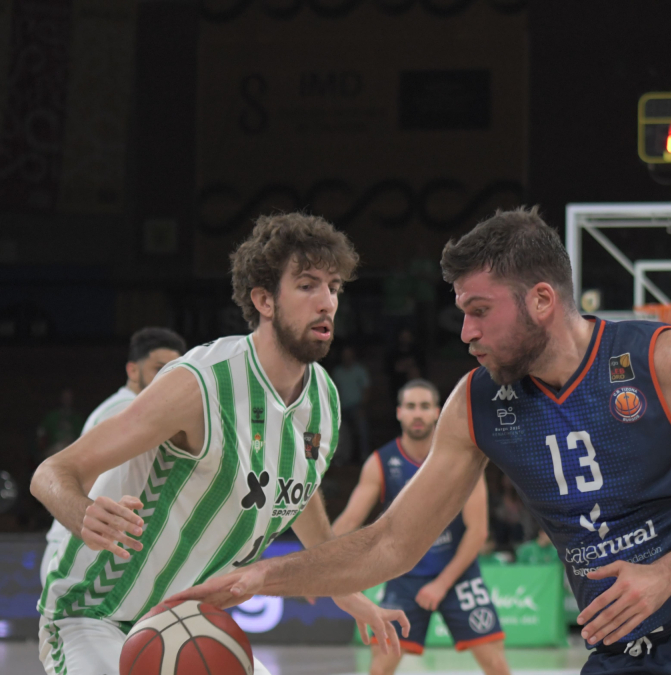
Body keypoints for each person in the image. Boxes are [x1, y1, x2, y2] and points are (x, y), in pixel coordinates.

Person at [173, 206, 671, 674]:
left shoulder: (665, 360)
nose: (466, 332)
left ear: (542, 300)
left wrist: (667, 574)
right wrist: (264, 575)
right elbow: (391, 543)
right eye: (462, 313)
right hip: (624, 654)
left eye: (479, 311)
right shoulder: (477, 404)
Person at [30, 213, 408, 675]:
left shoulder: (324, 401)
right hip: (95, 616)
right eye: (308, 285)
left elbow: (297, 493)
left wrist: (348, 594)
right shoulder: (200, 384)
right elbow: (51, 473)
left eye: (334, 287)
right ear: (264, 300)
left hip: (183, 622)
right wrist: (82, 513)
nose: (327, 301)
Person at [332, 379, 510, 675]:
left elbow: (478, 531)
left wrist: (441, 584)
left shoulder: (464, 459)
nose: (418, 413)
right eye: (411, 406)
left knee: (496, 665)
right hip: (403, 576)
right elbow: (350, 521)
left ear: (437, 412)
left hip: (458, 574)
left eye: (425, 406)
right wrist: (316, 565)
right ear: (399, 412)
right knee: (379, 669)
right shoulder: (380, 462)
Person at [39, 327, 187, 587]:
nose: (166, 378)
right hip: (77, 553)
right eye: (158, 369)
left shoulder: (128, 409)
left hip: (96, 548)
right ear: (133, 371)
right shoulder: (124, 411)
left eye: (173, 371)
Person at [332, 345, 372, 464]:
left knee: (362, 428)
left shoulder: (360, 370)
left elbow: (367, 390)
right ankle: (341, 459)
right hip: (341, 409)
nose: (347, 358)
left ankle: (365, 456)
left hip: (357, 407)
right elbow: (333, 391)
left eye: (349, 355)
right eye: (345, 355)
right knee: (340, 432)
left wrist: (362, 407)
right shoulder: (337, 372)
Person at [36, 389, 85, 459]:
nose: (67, 400)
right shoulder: (52, 416)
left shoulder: (77, 418)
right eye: (65, 397)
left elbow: (83, 436)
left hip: (71, 450)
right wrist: (42, 449)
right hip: (54, 450)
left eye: (69, 398)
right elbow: (41, 433)